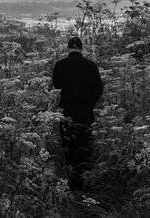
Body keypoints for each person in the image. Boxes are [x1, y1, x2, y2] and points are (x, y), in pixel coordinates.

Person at [52, 36, 103, 190]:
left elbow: (56, 88)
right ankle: (85, 180)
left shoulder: (59, 65)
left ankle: (71, 181)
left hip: (66, 112)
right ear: (81, 48)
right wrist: (90, 103)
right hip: (86, 111)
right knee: (85, 145)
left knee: (69, 146)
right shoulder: (91, 65)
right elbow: (98, 89)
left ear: (68, 48)